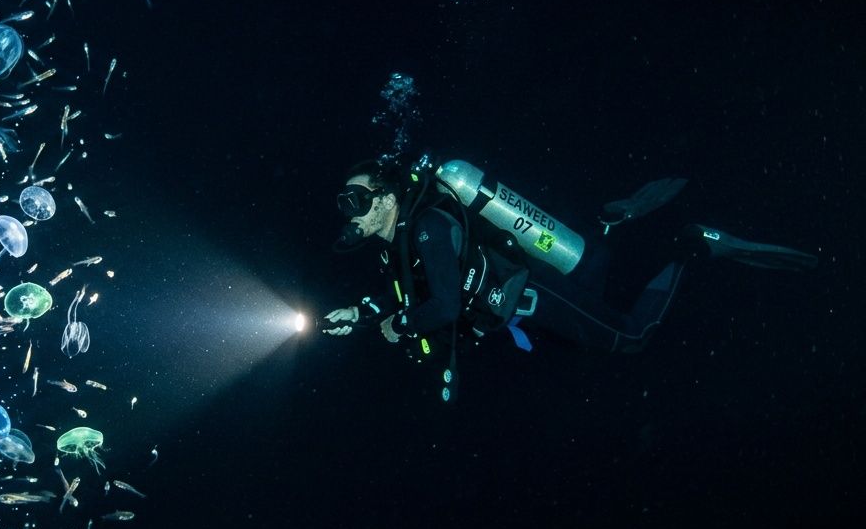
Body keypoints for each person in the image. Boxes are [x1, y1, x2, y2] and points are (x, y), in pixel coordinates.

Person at [321, 156, 817, 389]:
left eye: (358, 199)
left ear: (387, 195)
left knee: (632, 337)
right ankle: (610, 225)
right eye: (347, 204)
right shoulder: (397, 247)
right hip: (521, 305)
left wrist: (402, 325)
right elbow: (415, 293)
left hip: (530, 296)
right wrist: (363, 314)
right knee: (593, 280)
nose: (352, 213)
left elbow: (444, 305)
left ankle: (692, 247)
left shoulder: (425, 226)